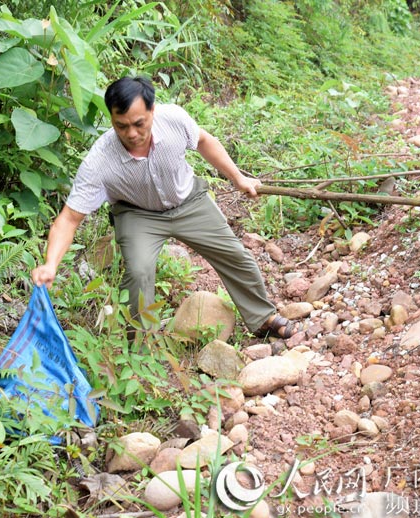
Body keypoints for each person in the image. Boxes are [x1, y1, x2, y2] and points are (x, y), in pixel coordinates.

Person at [31, 76, 299, 339]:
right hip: (137, 213)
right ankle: (139, 345)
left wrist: (238, 177)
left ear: (152, 110)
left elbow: (204, 142)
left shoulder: (173, 119)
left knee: (235, 255)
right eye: (121, 126)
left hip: (188, 201)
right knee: (139, 272)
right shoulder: (99, 160)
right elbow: (68, 219)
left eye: (139, 123)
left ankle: (262, 318)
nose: (131, 134)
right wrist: (51, 264)